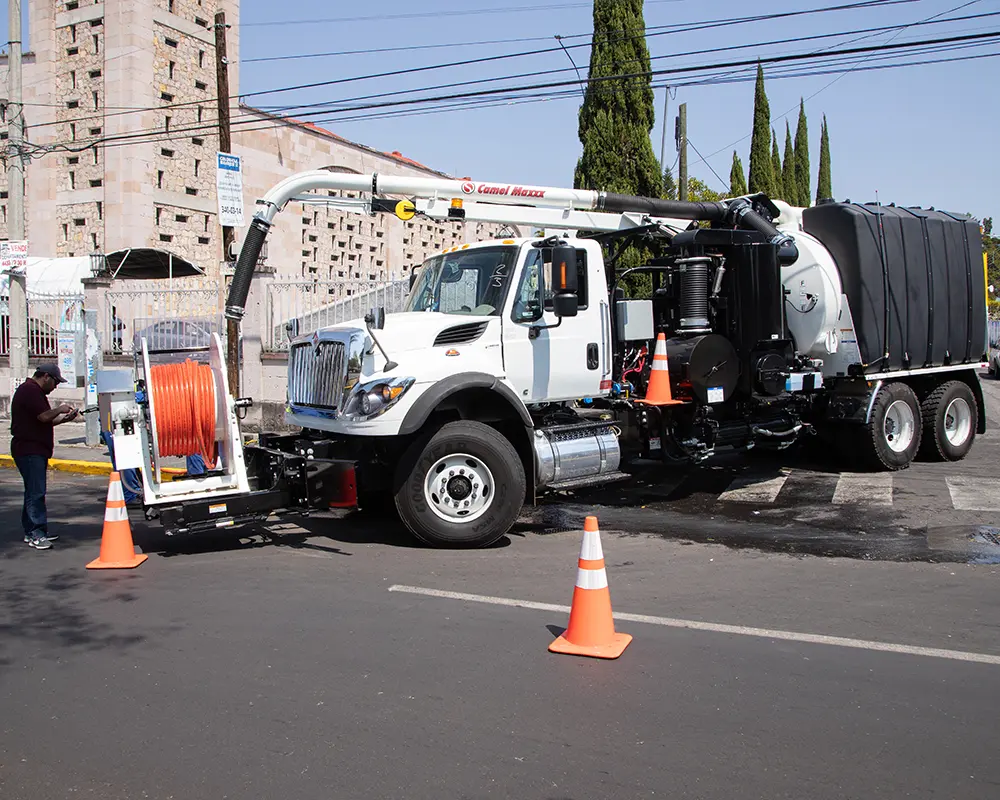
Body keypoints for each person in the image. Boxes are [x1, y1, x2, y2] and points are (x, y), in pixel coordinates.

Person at [10, 364, 79, 550]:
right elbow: (43, 417)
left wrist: (65, 418)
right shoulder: (30, 391)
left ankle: (31, 531)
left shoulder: (33, 391)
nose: (55, 386)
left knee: (32, 492)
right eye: (55, 382)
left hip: (32, 448)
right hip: (29, 449)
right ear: (46, 376)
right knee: (36, 493)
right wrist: (60, 409)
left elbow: (43, 420)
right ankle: (36, 533)